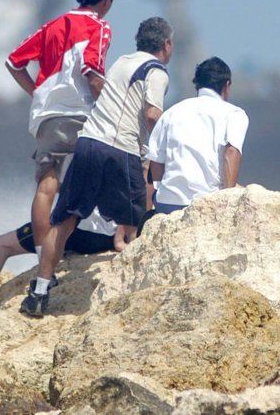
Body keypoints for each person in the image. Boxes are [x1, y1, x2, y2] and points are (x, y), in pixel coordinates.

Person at [20, 17, 173, 317]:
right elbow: (153, 115)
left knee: (64, 219)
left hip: (89, 142)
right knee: (136, 222)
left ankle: (39, 291)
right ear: (166, 45)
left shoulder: (120, 62)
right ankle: (136, 293)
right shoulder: (157, 71)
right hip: (121, 149)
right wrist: (164, 145)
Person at [5, 0, 117, 263]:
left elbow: (14, 62)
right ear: (107, 0)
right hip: (80, 113)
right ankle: (94, 241)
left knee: (47, 186)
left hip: (46, 115)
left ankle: (44, 256)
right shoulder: (100, 27)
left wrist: (37, 94)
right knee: (95, 178)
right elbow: (92, 73)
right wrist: (113, 108)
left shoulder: (51, 26)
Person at [0, 206, 117, 334]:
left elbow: (48, 194)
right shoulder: (135, 159)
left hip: (79, 231)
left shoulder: (64, 155)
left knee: (2, 243)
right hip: (113, 236)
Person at [146, 57, 249, 215]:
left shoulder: (171, 112)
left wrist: (161, 190)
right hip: (207, 205)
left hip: (168, 204)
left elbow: (156, 162)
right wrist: (228, 202)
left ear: (197, 84)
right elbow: (231, 153)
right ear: (227, 85)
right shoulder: (234, 114)